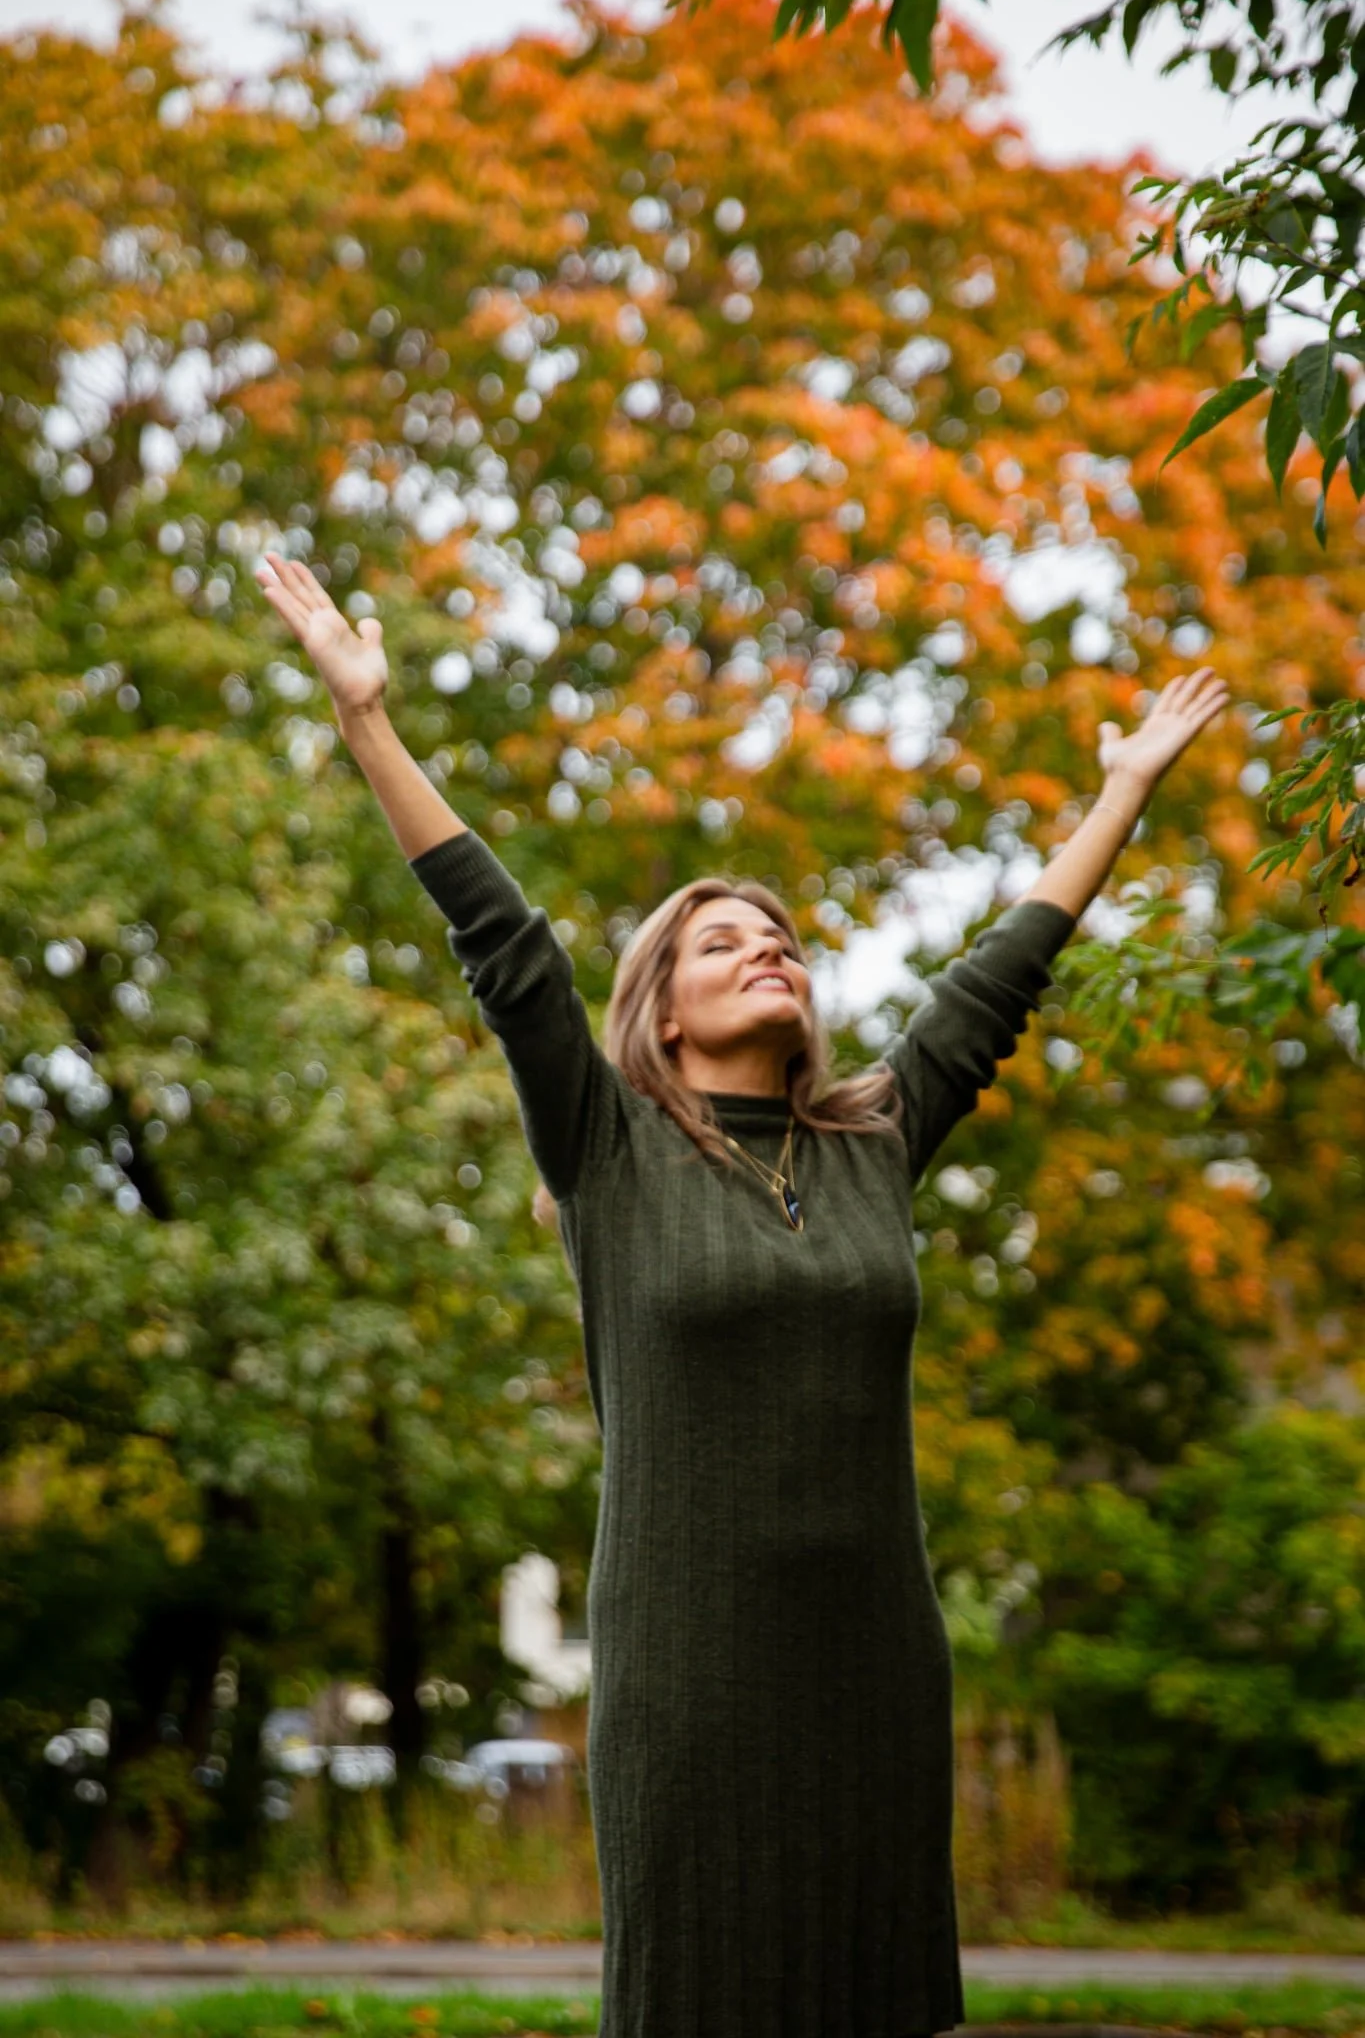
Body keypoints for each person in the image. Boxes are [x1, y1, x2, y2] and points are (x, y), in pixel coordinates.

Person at [254, 551, 1228, 2038]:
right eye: (723, 939)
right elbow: (507, 958)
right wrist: (371, 723)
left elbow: (998, 981)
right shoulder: (606, 1147)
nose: (768, 946)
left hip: (874, 1661)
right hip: (692, 1673)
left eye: (779, 935)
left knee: (872, 1998)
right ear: (662, 1004)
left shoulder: (874, 1140)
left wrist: (1124, 792)